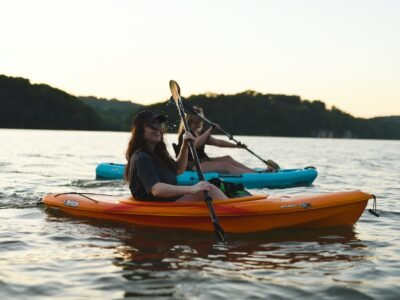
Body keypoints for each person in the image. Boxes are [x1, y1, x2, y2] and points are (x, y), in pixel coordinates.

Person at [125, 110, 228, 202]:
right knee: (211, 190)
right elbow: (156, 189)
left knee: (210, 186)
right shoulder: (141, 157)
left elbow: (178, 169)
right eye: (152, 125)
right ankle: (235, 213)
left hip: (169, 201)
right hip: (159, 206)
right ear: (140, 130)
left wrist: (184, 147)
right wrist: (192, 189)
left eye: (159, 125)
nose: (157, 129)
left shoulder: (158, 154)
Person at [177, 106, 261, 175]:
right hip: (192, 165)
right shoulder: (186, 134)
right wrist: (210, 129)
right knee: (226, 166)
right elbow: (195, 144)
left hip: (203, 160)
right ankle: (254, 176)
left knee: (228, 158)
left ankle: (256, 173)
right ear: (193, 119)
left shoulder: (200, 132)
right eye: (200, 119)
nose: (201, 121)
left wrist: (236, 146)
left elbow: (217, 142)